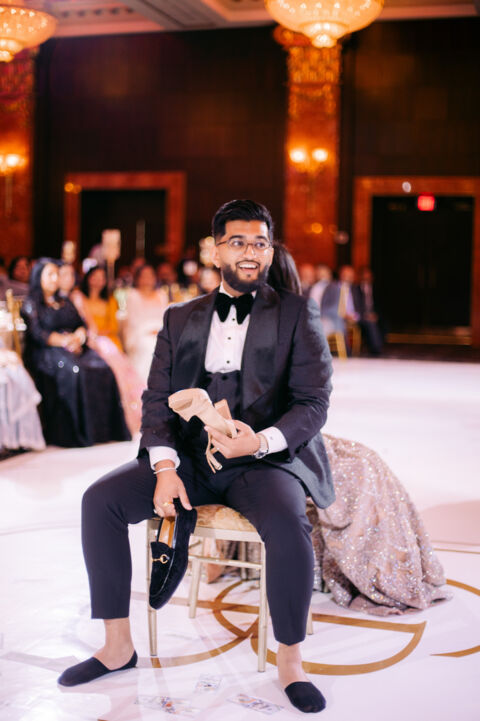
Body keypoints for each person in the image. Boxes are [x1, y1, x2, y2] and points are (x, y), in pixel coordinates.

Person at [58, 200, 333, 714]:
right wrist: (164, 468)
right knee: (100, 501)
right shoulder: (180, 317)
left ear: (269, 251)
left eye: (259, 243)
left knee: (288, 520)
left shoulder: (297, 313)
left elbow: (313, 402)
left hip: (261, 461)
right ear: (216, 251)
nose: (249, 252)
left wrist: (260, 441)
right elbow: (156, 400)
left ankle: (291, 662)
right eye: (237, 241)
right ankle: (117, 647)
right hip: (189, 459)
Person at [213, 245, 450, 615]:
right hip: (255, 449)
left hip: (281, 439)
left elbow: (307, 403)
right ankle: (373, 572)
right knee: (361, 472)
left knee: (366, 461)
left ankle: (389, 569)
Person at [21, 258, 131, 447]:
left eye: (57, 274)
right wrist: (65, 341)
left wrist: (78, 337)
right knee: (75, 371)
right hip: (48, 351)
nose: (55, 279)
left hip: (75, 347)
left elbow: (81, 324)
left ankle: (103, 431)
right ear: (38, 276)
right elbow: (38, 333)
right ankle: (77, 432)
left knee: (103, 367)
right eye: (50, 274)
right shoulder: (31, 303)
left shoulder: (64, 301)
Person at [60, 263, 143, 436]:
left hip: (104, 338)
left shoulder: (109, 299)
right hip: (89, 338)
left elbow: (111, 326)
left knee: (118, 365)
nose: (98, 281)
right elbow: (86, 324)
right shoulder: (78, 297)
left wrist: (96, 334)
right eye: (94, 277)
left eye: (101, 278)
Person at [124, 264, 169, 384]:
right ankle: (145, 385)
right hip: (139, 334)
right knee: (151, 346)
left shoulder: (161, 295)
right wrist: (149, 330)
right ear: (138, 278)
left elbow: (165, 318)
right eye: (144, 276)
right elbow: (134, 322)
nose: (147, 279)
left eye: (150, 276)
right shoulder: (133, 295)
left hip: (160, 332)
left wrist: (159, 330)